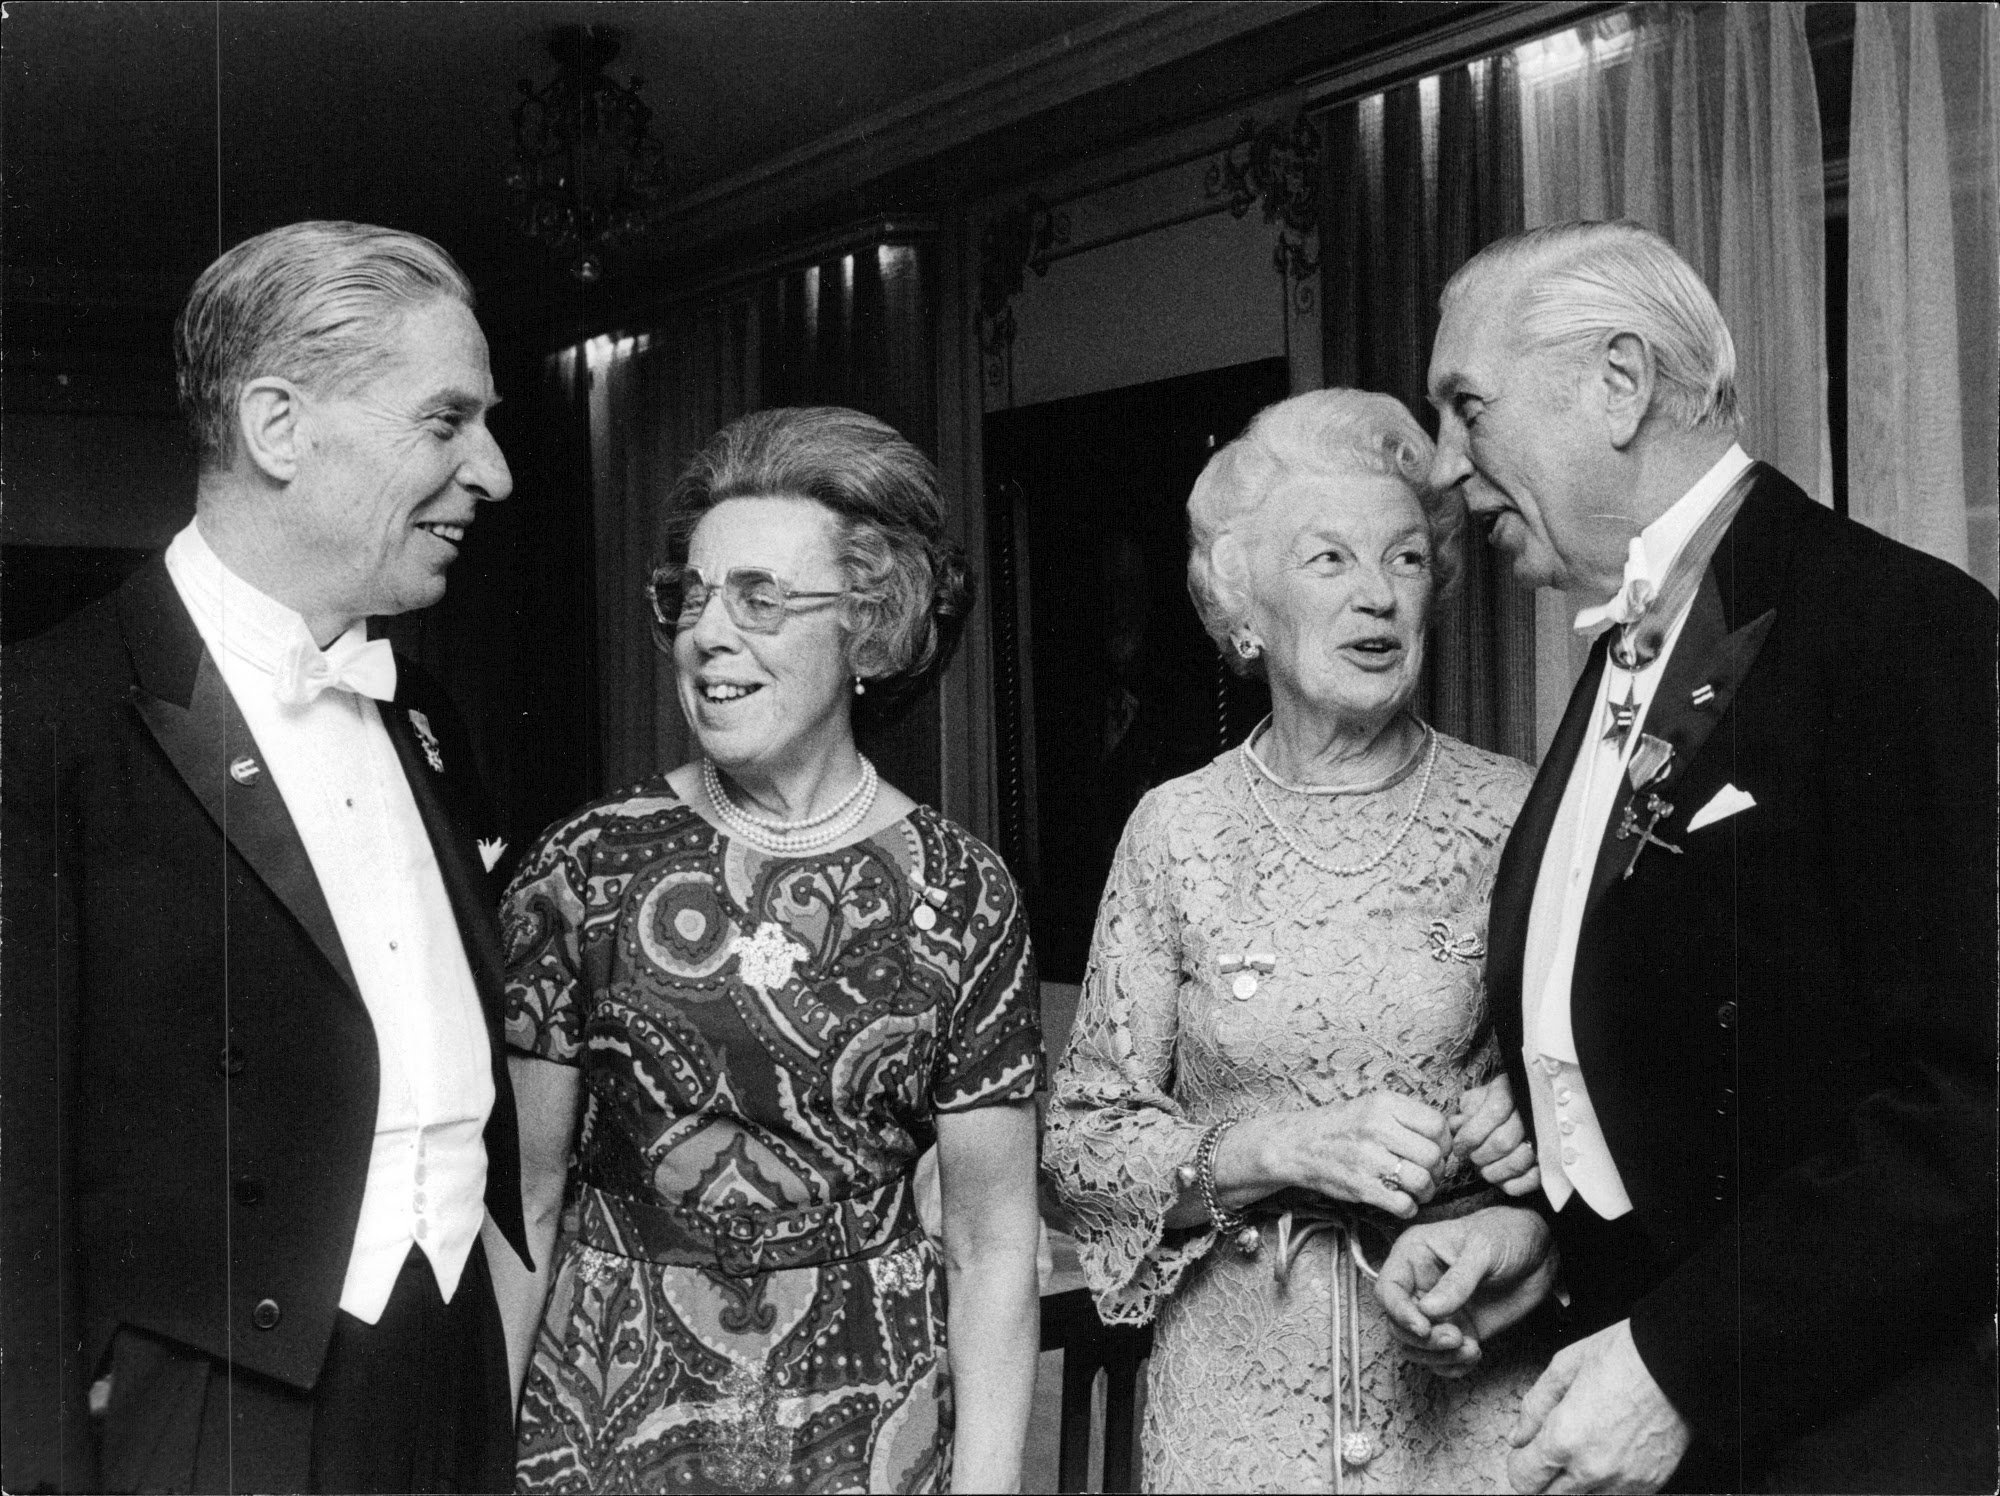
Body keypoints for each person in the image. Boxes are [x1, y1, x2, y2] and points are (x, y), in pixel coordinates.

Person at [1379, 220, 1997, 1494]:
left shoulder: (1903, 629)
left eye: (1465, 408)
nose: (1442, 467)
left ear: (1616, 383)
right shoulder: (1618, 648)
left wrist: (1680, 1360)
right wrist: (1548, 1232)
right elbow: (1704, 1071)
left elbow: (1974, 1104)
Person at [1, 221, 531, 1493]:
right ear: (278, 426)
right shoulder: (46, 716)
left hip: (444, 1354)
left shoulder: (422, 713)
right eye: (446, 419)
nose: (495, 472)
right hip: (206, 1410)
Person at [496, 406, 1043, 1494]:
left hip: (870, 1416)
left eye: (759, 597)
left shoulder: (960, 889)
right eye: (691, 595)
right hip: (608, 1411)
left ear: (869, 623)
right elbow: (524, 1207)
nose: (706, 631)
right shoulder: (584, 867)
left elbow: (991, 1247)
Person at [1042, 388, 1550, 1493]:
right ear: (1244, 604)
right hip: (1236, 1399)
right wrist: (1279, 1147)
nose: (1376, 595)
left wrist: (1543, 1117)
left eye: (1406, 560)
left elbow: (1622, 1096)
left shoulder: (1519, 811)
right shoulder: (1177, 827)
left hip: (1467, 1372)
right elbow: (1080, 1149)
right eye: (1329, 559)